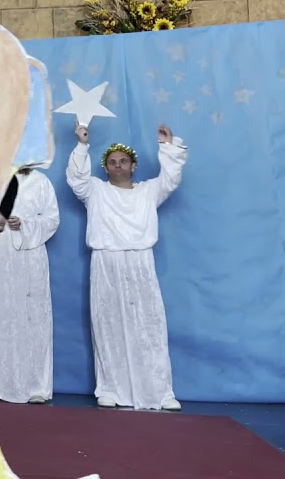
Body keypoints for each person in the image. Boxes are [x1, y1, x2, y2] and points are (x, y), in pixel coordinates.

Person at [67, 121, 187, 411]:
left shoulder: (149, 191)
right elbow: (76, 179)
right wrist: (82, 144)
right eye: (112, 162)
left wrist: (167, 146)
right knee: (108, 324)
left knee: (149, 325)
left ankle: (160, 392)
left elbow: (170, 179)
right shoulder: (95, 190)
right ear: (105, 168)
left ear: (133, 166)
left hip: (140, 261)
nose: (118, 165)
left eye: (123, 161)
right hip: (106, 261)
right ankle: (109, 389)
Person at [0, 167, 60, 404]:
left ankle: (36, 385)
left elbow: (52, 219)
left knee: (32, 316)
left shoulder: (41, 182)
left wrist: (24, 225)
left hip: (29, 255)